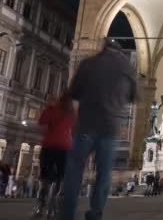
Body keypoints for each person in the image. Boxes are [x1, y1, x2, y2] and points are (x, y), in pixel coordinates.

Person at [60, 39, 137, 220]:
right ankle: (95, 213)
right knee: (104, 172)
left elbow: (74, 91)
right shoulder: (127, 68)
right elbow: (134, 96)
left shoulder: (88, 63)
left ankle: (67, 213)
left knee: (75, 169)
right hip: (110, 127)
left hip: (85, 124)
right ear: (119, 52)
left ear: (103, 49)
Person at [34, 92, 76, 216]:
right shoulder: (72, 113)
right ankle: (55, 204)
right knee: (61, 178)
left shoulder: (51, 109)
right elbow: (76, 129)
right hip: (64, 147)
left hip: (49, 145)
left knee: (45, 178)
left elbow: (40, 126)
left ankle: (40, 206)